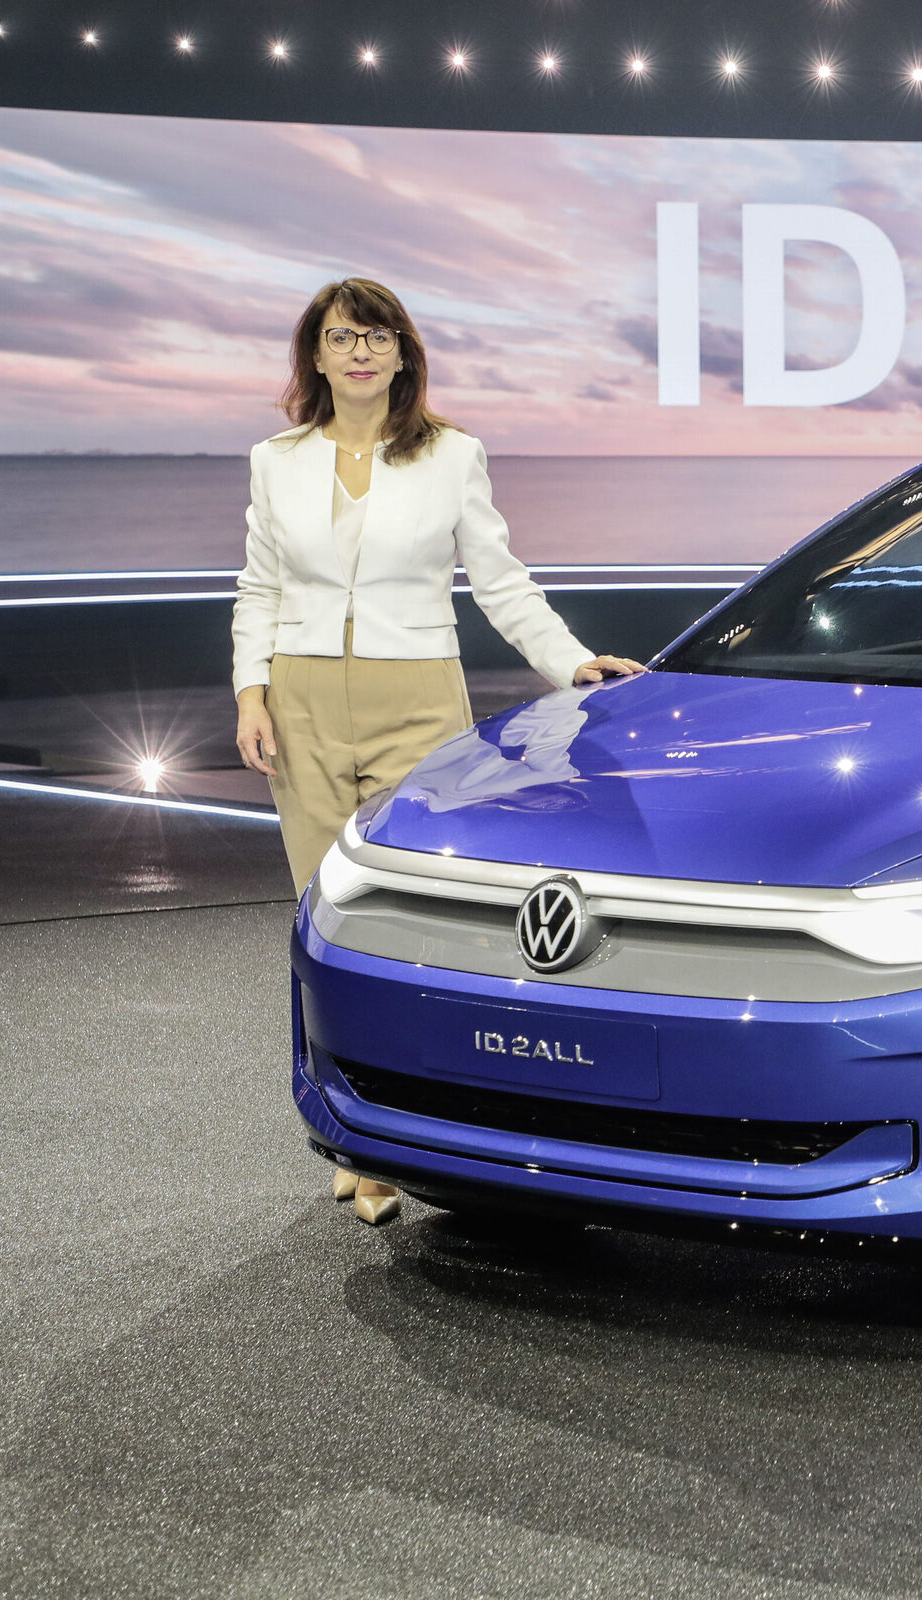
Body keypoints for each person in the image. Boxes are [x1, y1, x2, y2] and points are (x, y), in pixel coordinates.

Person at [230, 277, 646, 1225]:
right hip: (299, 700)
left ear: (403, 355)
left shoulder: (453, 455)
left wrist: (572, 663)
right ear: (317, 355)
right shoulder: (276, 461)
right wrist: (251, 691)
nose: (361, 353)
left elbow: (502, 582)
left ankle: (421, 1132)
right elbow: (259, 588)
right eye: (344, 337)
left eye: (377, 337)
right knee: (329, 919)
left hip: (417, 699)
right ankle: (352, 1131)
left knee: (415, 921)